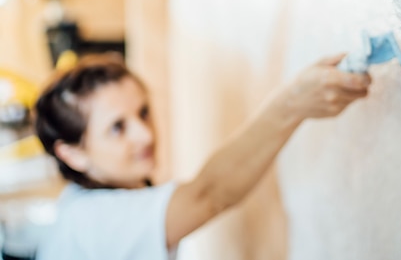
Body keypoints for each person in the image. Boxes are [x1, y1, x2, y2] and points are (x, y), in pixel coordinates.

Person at [33, 52, 371, 260]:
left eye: (144, 112)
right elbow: (208, 195)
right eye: (118, 128)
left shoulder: (97, 199)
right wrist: (292, 103)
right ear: (73, 154)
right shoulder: (93, 223)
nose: (145, 134)